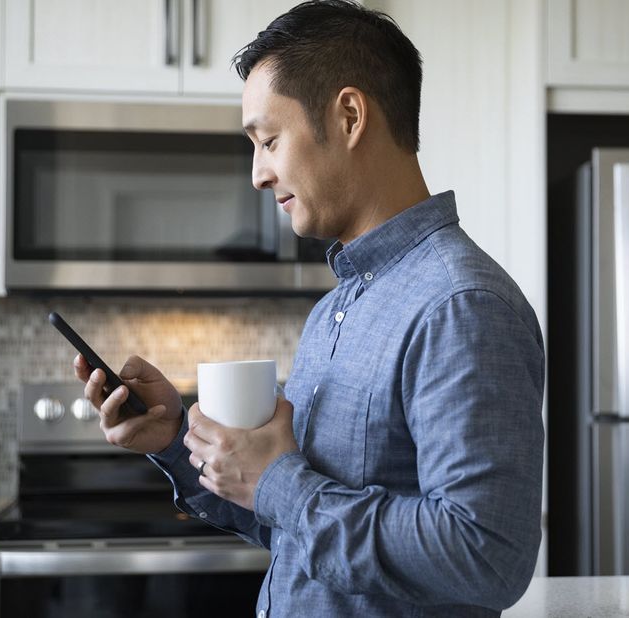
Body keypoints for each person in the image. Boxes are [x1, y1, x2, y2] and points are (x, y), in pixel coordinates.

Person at [72, 1, 545, 615]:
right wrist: (176, 440)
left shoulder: (461, 306)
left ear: (349, 116)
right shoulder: (335, 309)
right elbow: (297, 531)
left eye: (269, 140)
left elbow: (487, 558)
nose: (257, 175)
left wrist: (279, 484)